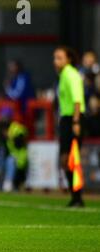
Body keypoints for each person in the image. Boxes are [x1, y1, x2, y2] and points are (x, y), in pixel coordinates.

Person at [53, 46, 86, 207]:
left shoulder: (71, 74)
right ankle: (75, 197)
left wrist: (76, 121)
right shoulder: (63, 75)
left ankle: (78, 197)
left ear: (69, 59)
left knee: (72, 158)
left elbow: (78, 99)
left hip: (72, 119)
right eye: (55, 58)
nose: (56, 61)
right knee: (65, 160)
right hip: (66, 119)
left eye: (59, 58)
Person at [0, 107, 28, 192]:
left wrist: (9, 136)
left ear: (10, 117)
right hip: (1, 157)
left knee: (10, 161)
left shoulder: (16, 127)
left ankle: (8, 182)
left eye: (5, 117)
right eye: (2, 117)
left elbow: (20, 142)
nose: (3, 119)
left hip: (14, 157)